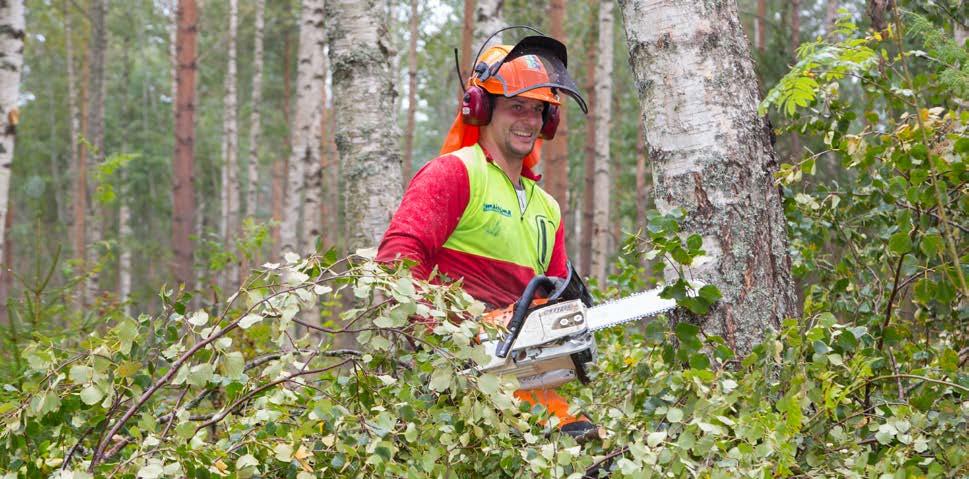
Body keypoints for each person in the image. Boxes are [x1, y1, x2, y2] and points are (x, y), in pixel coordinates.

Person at [376, 34, 597, 441]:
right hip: (461, 375)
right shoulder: (455, 173)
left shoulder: (546, 207)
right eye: (516, 107)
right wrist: (460, 331)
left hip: (527, 373)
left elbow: (555, 292)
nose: (528, 120)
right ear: (481, 108)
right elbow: (395, 265)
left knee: (586, 445)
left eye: (538, 110)